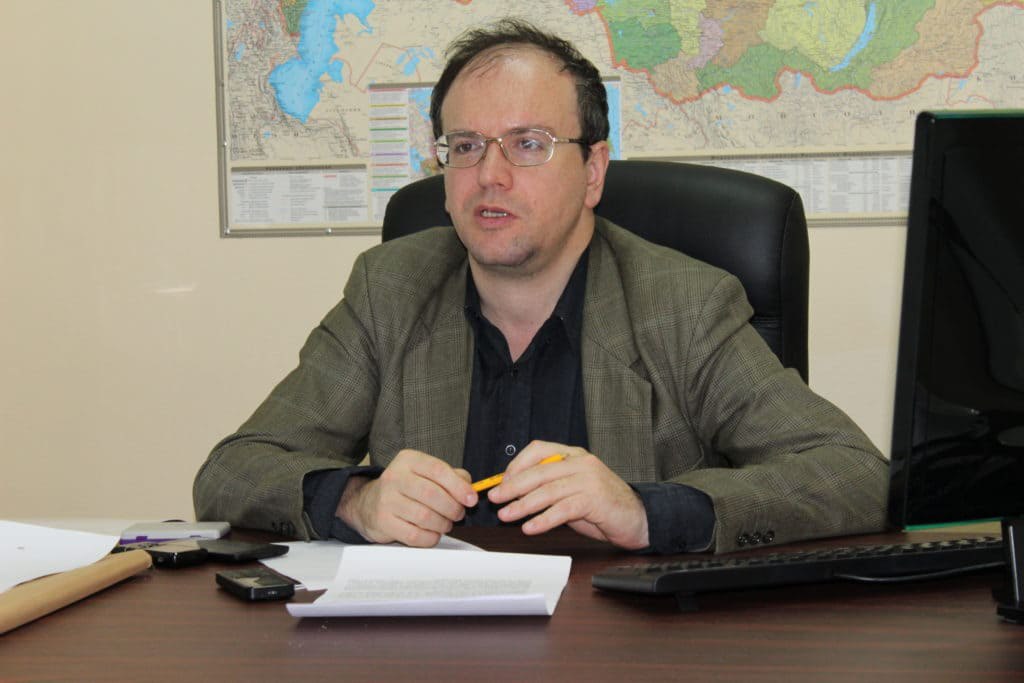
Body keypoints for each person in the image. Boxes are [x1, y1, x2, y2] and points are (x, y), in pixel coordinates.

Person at [194, 19, 888, 554]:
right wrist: (353, 499)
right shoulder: (390, 291)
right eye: (466, 146)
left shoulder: (681, 305)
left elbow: (854, 474)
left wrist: (646, 511)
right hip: (431, 652)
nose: (490, 176)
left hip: (624, 651)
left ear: (593, 172)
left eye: (528, 144)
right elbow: (231, 471)